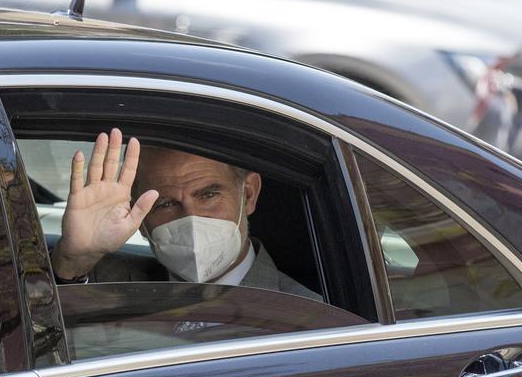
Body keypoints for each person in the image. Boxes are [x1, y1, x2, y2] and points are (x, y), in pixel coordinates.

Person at [49, 128, 321, 301]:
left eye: (208, 195)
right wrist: (73, 261)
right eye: (165, 203)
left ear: (248, 195)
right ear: (140, 220)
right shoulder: (105, 283)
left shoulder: (312, 319)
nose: (191, 217)